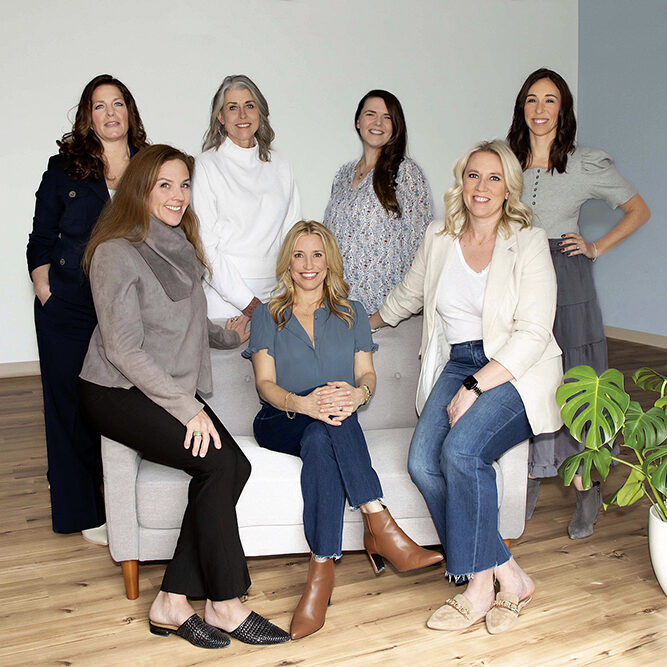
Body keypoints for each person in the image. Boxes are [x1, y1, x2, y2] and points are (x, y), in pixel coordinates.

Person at [78, 145, 290, 649]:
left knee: (231, 466)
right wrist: (190, 408)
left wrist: (230, 334)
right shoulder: (116, 252)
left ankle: (173, 600)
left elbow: (182, 325)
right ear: (140, 190)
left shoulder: (178, 243)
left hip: (164, 387)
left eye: (184, 184)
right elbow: (124, 349)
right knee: (221, 466)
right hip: (116, 390)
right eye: (164, 185)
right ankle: (225, 602)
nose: (178, 196)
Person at [369, 140, 562, 634]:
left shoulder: (529, 241)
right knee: (420, 461)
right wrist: (361, 323)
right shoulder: (439, 237)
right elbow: (409, 294)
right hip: (457, 363)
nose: (482, 187)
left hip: (516, 369)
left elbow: (535, 332)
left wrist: (477, 385)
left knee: (460, 452)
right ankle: (508, 573)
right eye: (474, 176)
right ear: (462, 182)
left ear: (508, 189)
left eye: (494, 178)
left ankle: (477, 586)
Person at [244, 220, 443, 640]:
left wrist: (358, 396)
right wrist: (303, 403)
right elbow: (264, 385)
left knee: (325, 429)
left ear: (330, 261)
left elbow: (366, 376)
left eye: (317, 254)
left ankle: (320, 570)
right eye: (299, 254)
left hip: (328, 421)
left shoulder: (352, 313)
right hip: (281, 419)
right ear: (288, 263)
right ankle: (380, 523)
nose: (308, 264)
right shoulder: (268, 313)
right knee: (325, 403)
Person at [507, 68, 651, 538]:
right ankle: (527, 479)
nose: (540, 109)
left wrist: (595, 247)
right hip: (517, 272)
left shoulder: (586, 163)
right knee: (522, 374)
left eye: (550, 100)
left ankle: (588, 490)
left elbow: (638, 210)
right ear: (521, 108)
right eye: (532, 100)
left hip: (566, 275)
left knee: (574, 378)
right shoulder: (505, 160)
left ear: (563, 110)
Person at [26, 74, 149, 544]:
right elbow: (40, 236)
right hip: (70, 305)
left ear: (130, 112)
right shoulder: (64, 168)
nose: (110, 113)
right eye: (100, 106)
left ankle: (124, 501)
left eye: (118, 103)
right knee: (68, 407)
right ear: (88, 116)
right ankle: (81, 510)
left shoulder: (148, 166)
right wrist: (45, 288)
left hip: (128, 307)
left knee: (121, 404)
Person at [192, 74, 301, 329]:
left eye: (249, 105)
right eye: (233, 107)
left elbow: (292, 234)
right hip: (225, 305)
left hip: (277, 302)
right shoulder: (206, 165)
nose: (242, 115)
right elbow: (205, 246)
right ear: (221, 117)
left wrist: (288, 298)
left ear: (260, 112)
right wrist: (249, 303)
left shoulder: (281, 164)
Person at [323, 89, 434, 312]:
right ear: (358, 121)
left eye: (387, 117)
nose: (378, 123)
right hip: (338, 307)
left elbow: (424, 246)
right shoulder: (343, 174)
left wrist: (402, 306)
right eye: (370, 114)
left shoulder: (406, 173)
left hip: (386, 313)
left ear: (396, 126)